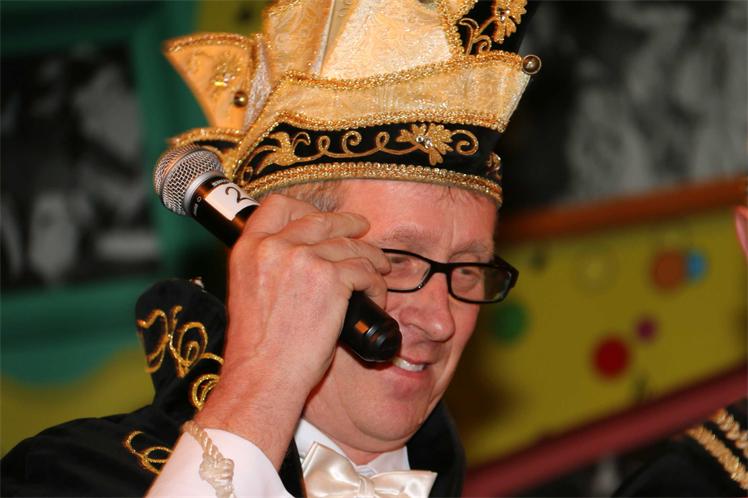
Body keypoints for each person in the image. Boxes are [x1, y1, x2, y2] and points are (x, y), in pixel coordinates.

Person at [1, 1, 541, 496]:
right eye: (396, 260)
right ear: (277, 261)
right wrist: (261, 386)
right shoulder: (67, 474)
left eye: (469, 269)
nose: (441, 320)